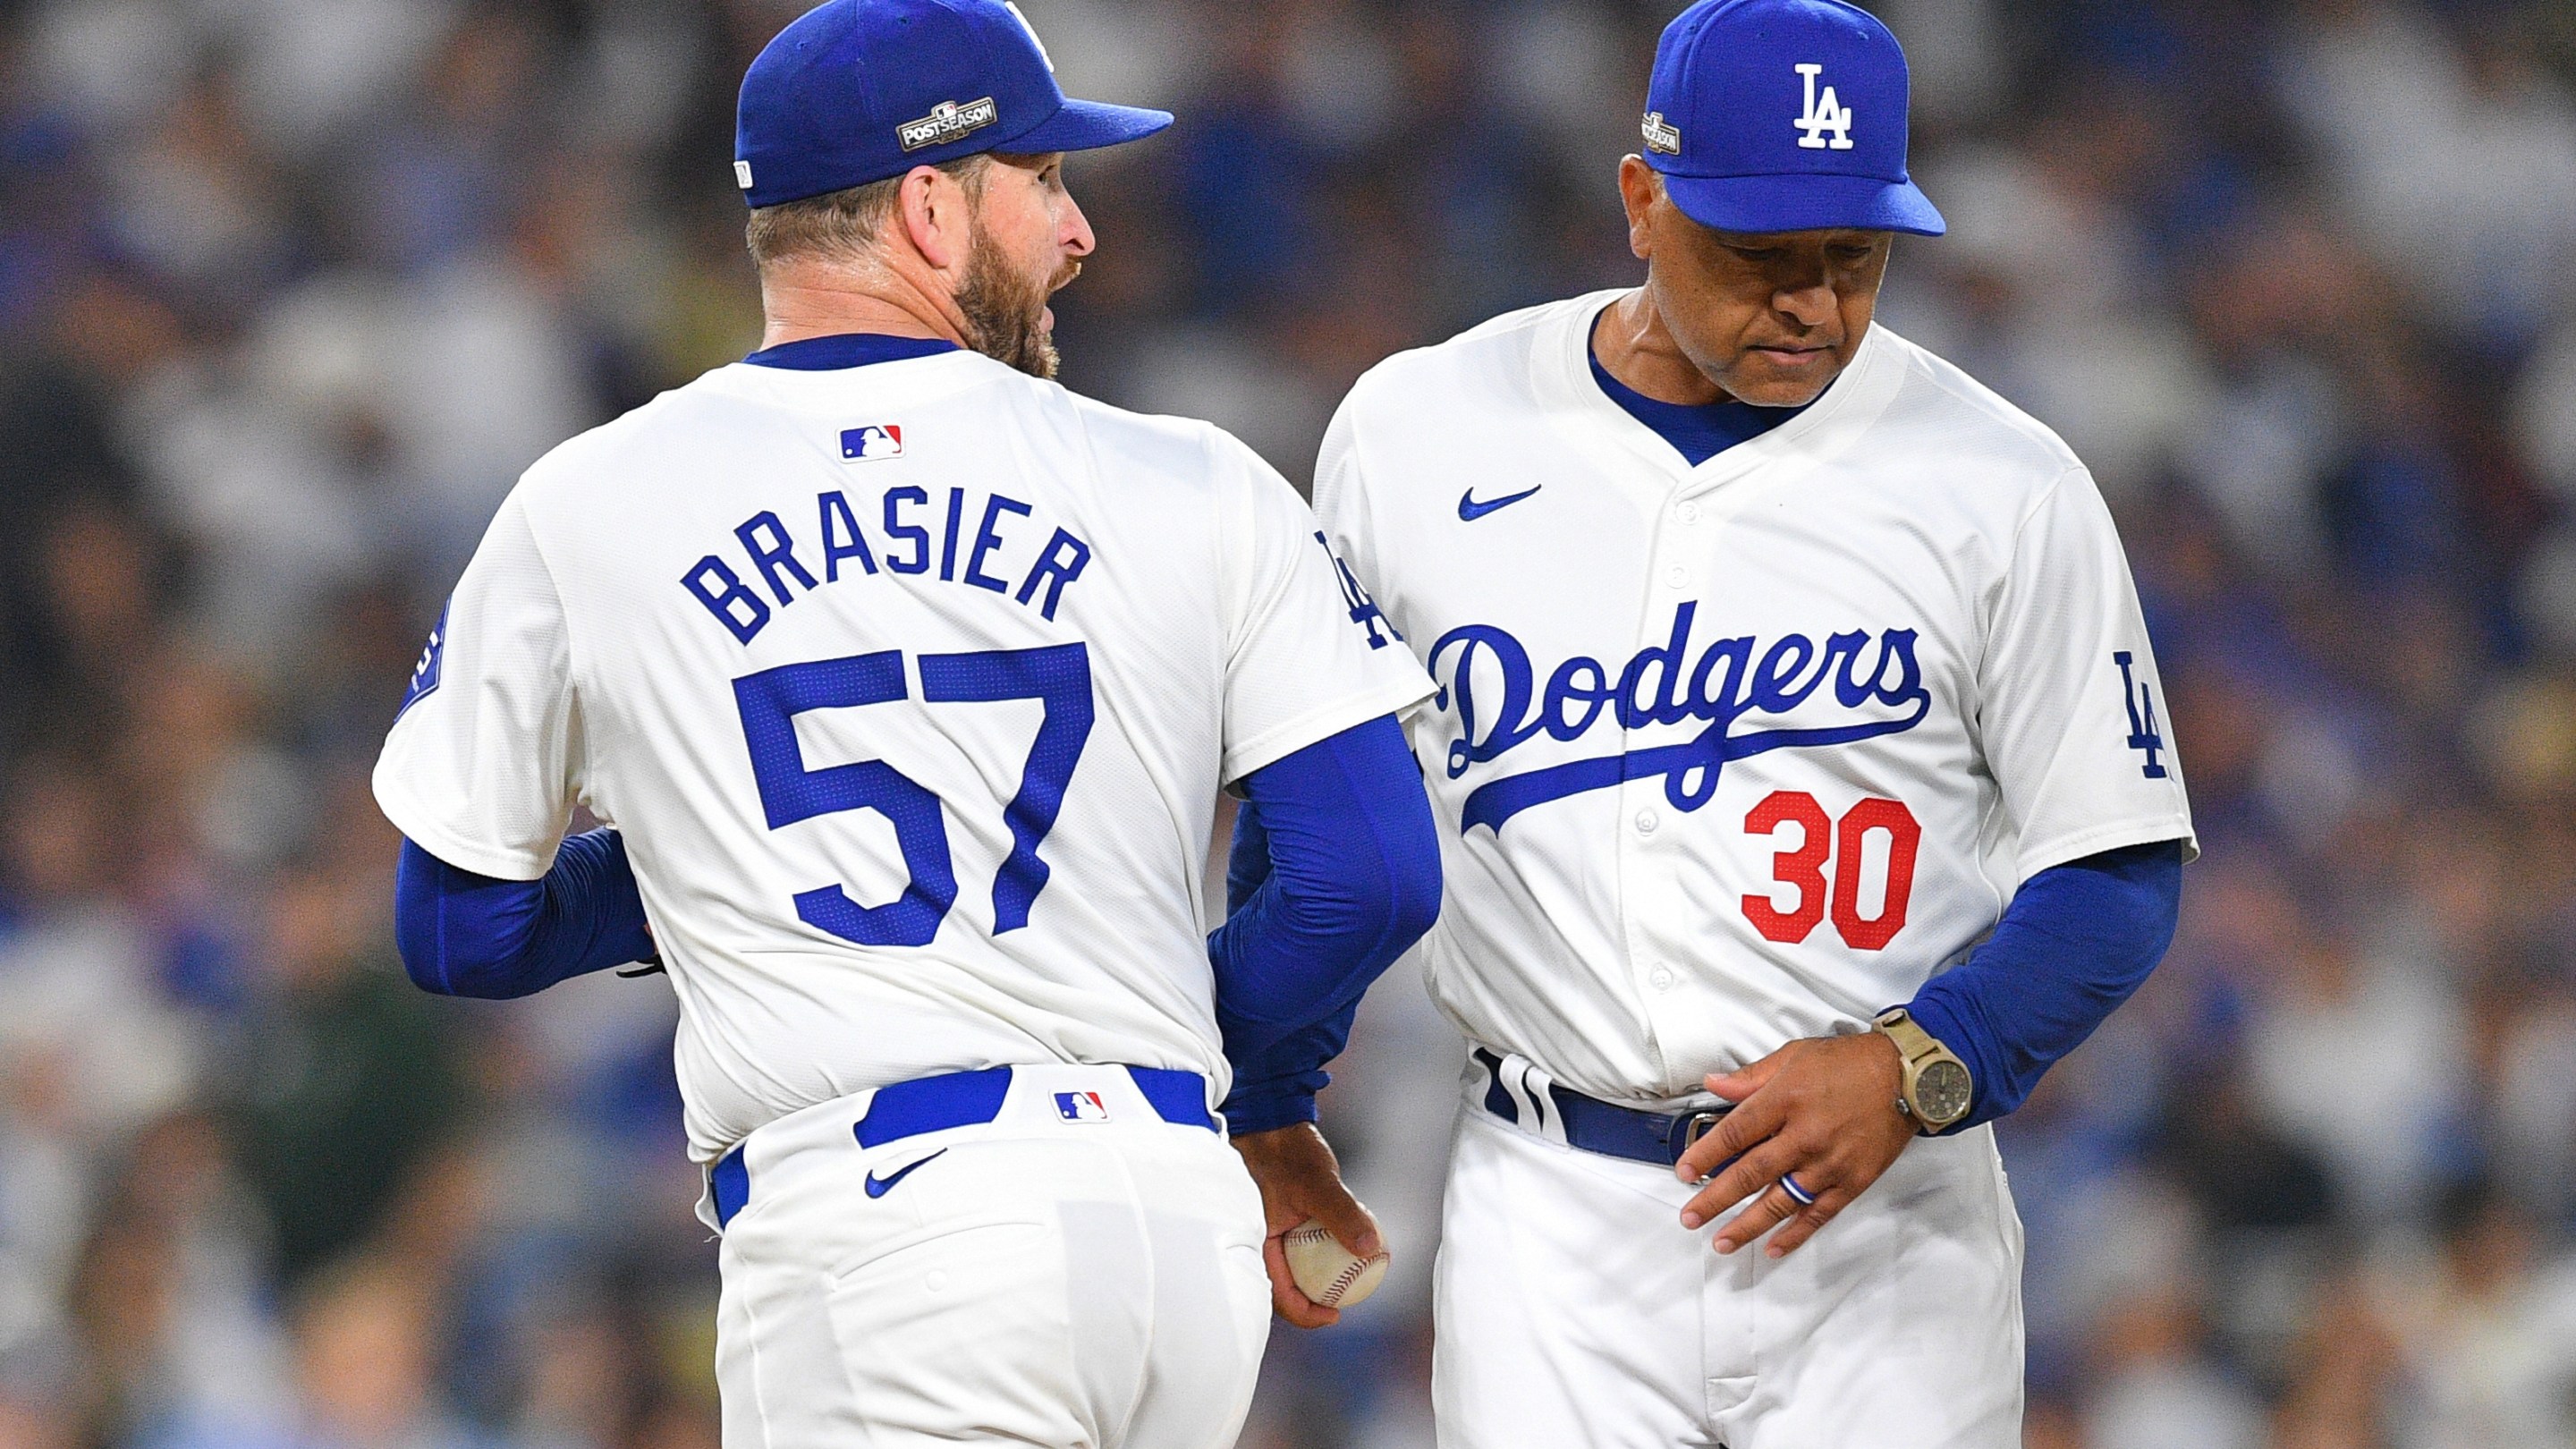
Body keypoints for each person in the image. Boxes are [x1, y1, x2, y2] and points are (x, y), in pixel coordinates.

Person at [369, 3, 1441, 1445]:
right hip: (1176, 1237)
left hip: (884, 1238)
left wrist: (715, 851)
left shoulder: (589, 504)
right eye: (1046, 182)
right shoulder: (1196, 480)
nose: (1081, 234)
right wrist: (1256, 1091)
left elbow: (461, 926)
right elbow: (1365, 873)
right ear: (932, 208)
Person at [1252, 0, 2199, 1443]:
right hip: (1553, 1214)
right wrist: (1272, 1091)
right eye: (1762, 256)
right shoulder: (1416, 431)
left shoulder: (2006, 483)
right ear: (1642, 200)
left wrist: (1920, 1063)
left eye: (1855, 258)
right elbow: (1312, 811)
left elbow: (2119, 867)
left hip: (1889, 1221)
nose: (1813, 303)